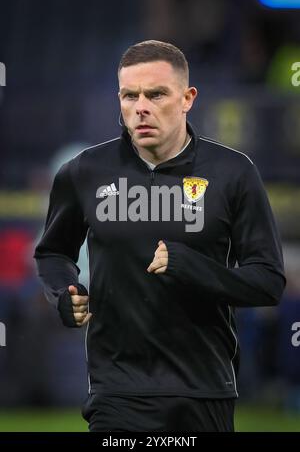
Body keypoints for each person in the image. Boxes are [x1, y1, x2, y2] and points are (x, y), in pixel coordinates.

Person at [34, 40, 286, 432]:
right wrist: (64, 293)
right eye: (129, 95)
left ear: (187, 98)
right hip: (116, 391)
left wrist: (190, 266)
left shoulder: (234, 173)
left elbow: (268, 282)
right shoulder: (83, 172)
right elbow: (52, 253)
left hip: (205, 389)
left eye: (156, 94)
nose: (141, 107)